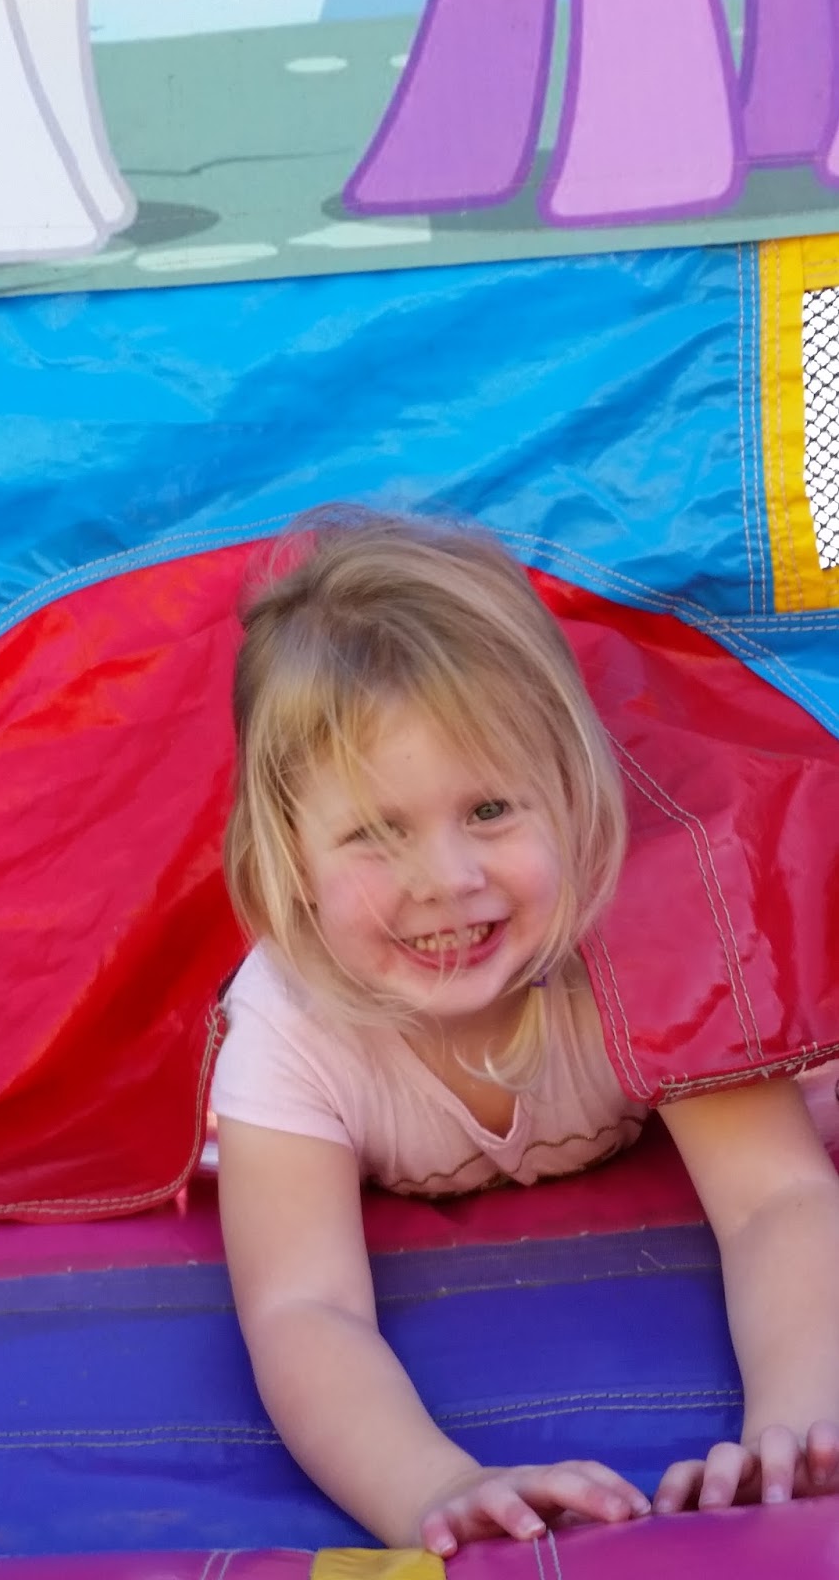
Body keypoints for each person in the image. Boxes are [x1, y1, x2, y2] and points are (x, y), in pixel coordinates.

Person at [212, 508, 839, 1553]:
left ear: (574, 793)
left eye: (491, 810)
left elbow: (775, 1199)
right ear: (290, 858)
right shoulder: (289, 1026)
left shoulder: (656, 934)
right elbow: (304, 1308)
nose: (446, 880)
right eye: (376, 832)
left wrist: (799, 1428)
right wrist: (436, 1487)